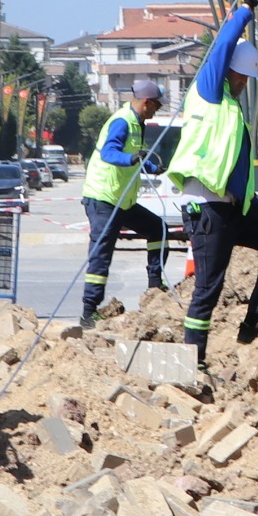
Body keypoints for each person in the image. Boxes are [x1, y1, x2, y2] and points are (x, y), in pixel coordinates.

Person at [167, 0, 258, 374]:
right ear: (228, 73)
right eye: (241, 76)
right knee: (208, 288)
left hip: (230, 207)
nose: (244, 83)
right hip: (206, 208)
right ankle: (194, 363)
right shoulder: (207, 92)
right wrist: (243, 13)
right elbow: (223, 46)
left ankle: (253, 323)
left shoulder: (232, 110)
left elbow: (231, 172)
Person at [79, 79, 168, 329]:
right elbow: (109, 152)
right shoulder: (122, 121)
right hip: (104, 198)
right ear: (146, 102)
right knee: (101, 255)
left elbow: (136, 156)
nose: (156, 111)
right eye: (156, 107)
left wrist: (151, 166)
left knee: (158, 230)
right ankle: (88, 313)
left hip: (123, 200)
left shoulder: (137, 124)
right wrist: (131, 158)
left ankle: (154, 288)